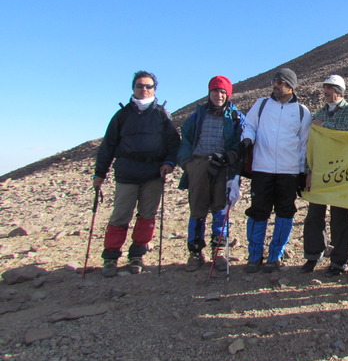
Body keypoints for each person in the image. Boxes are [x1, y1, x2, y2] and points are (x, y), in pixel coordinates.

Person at [94, 71, 180, 277]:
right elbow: (108, 145)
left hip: (153, 173)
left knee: (147, 216)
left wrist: (169, 162)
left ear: (154, 89)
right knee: (121, 215)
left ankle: (137, 255)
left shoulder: (161, 114)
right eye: (140, 86)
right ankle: (111, 257)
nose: (144, 89)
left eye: (148, 86)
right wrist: (100, 173)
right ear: (133, 88)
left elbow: (173, 143)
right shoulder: (122, 115)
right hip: (127, 172)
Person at [242, 68, 311, 273]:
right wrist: (247, 139)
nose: (275, 85)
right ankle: (254, 256)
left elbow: (304, 145)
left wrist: (302, 172)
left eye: (280, 82)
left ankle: (275, 256)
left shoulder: (301, 111)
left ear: (290, 86)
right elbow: (250, 126)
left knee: (285, 213)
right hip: (262, 169)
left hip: (288, 172)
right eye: (274, 81)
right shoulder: (261, 105)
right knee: (258, 212)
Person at [177, 76, 244, 272]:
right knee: (197, 209)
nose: (219, 95)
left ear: (228, 94)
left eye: (223, 92)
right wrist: (187, 163)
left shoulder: (236, 117)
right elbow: (185, 138)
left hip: (223, 167)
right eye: (215, 91)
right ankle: (195, 252)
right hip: (198, 164)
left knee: (220, 209)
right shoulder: (197, 115)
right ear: (209, 93)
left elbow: (243, 140)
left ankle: (219, 251)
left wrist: (232, 156)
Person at [301, 75, 348, 276]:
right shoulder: (319, 112)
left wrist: (322, 126)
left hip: (343, 172)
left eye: (329, 88)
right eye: (324, 87)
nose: (325, 91)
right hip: (319, 172)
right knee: (314, 216)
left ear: (339, 90)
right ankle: (312, 255)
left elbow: (345, 133)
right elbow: (311, 143)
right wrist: (308, 171)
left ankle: (339, 261)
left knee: (342, 217)